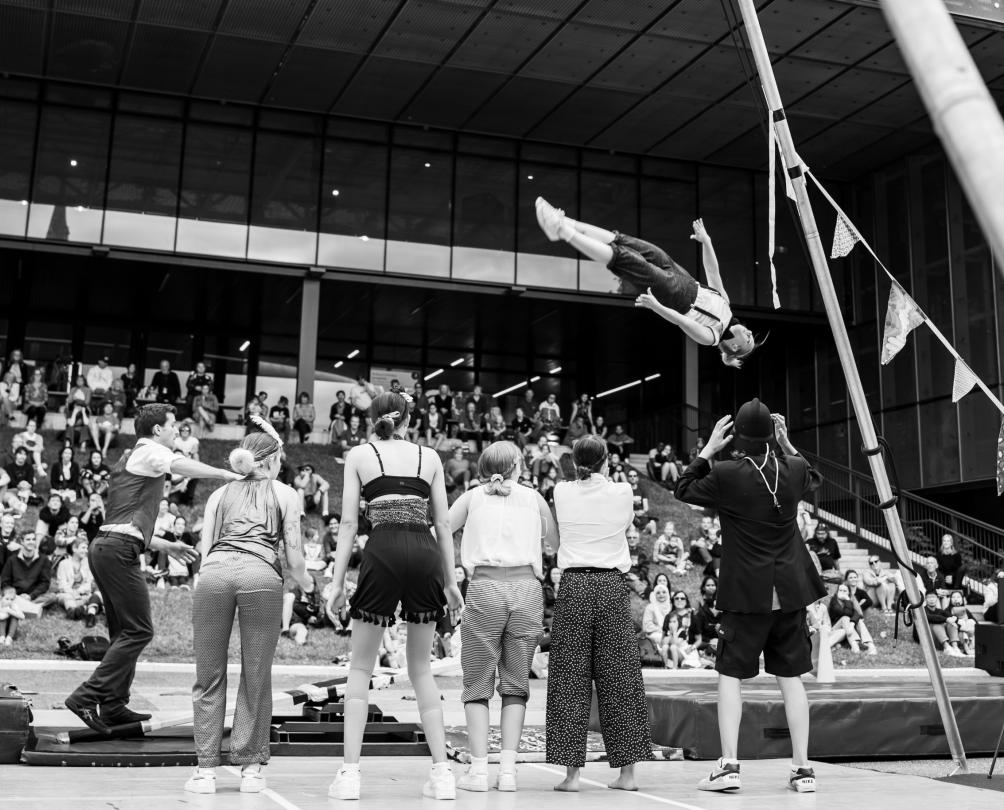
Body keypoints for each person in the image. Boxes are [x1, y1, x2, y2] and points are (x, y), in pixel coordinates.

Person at [675, 399, 824, 794]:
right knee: (791, 678)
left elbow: (683, 488)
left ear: (736, 436)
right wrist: (787, 443)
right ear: (772, 435)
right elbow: (814, 477)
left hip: (746, 594)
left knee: (730, 675)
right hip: (790, 592)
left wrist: (709, 449)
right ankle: (803, 769)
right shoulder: (792, 469)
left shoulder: (726, 473)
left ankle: (728, 766)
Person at [65, 404, 241, 735]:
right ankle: (86, 697)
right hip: (116, 551)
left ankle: (113, 706)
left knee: (124, 633)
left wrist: (166, 545)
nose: (177, 431)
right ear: (158, 430)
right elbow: (180, 464)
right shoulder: (149, 451)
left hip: (109, 547)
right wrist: (226, 475)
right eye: (173, 425)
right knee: (139, 631)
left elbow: (126, 521)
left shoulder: (135, 458)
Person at [326, 392, 464, 801]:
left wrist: (336, 583)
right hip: (424, 552)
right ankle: (442, 773)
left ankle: (350, 774)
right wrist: (451, 582)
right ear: (408, 419)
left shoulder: (359, 455)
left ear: (373, 420)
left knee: (360, 668)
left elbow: (348, 523)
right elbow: (443, 524)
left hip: (382, 549)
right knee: (421, 668)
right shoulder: (430, 457)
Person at [184, 424, 313, 796]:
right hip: (260, 575)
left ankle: (205, 771)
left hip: (214, 576)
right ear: (271, 460)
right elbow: (295, 558)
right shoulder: (286, 493)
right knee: (256, 673)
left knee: (208, 674)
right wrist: (309, 585)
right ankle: (251, 768)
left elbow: (206, 549)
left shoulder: (219, 494)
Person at [447, 441, 556, 792]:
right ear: (518, 465)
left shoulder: (472, 498)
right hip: (527, 589)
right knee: (516, 684)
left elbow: (439, 532)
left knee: (477, 683)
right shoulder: (534, 499)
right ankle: (508, 771)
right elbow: (554, 544)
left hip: (485, 588)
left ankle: (479, 771)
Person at [547, 435, 652, 792]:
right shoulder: (622, 491)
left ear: (574, 462)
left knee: (569, 679)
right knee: (620, 678)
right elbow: (625, 524)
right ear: (606, 461)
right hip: (610, 585)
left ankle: (571, 776)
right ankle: (627, 775)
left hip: (575, 585)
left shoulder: (562, 492)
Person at [535, 200, 760, 367]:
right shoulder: (726, 306)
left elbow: (681, 321)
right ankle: (564, 221)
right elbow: (712, 272)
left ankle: (563, 232)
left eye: (748, 339)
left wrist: (656, 306)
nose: (749, 332)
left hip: (675, 295)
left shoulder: (711, 337)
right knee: (624, 241)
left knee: (624, 259)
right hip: (685, 277)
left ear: (734, 346)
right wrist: (706, 242)